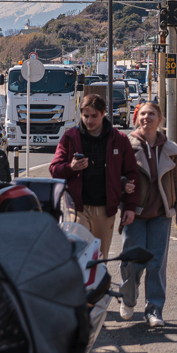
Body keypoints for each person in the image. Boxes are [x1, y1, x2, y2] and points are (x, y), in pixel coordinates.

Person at [118, 102, 177, 328]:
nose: (146, 117)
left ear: (160, 119)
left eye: (151, 114)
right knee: (133, 262)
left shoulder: (170, 148)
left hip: (161, 214)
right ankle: (129, 299)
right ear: (136, 118)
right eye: (142, 114)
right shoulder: (127, 146)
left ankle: (154, 310)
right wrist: (123, 186)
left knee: (157, 263)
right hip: (135, 214)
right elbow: (114, 176)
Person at [50, 94, 140, 269]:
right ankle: (79, 295)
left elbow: (132, 173)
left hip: (106, 210)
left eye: (94, 116)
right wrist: (71, 167)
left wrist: (130, 207)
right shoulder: (70, 137)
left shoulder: (119, 139)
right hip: (77, 207)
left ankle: (97, 295)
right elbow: (54, 170)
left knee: (99, 259)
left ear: (103, 113)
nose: (89, 121)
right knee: (78, 256)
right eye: (85, 116)